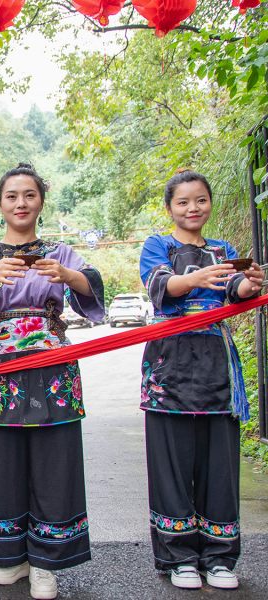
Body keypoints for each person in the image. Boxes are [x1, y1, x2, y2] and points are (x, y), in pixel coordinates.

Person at [0, 163, 104, 600]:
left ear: (41, 202)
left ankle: (46, 563)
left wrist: (68, 276)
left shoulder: (59, 252)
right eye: (12, 196)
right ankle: (9, 557)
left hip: (54, 363)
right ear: (1, 203)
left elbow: (91, 285)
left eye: (29, 195)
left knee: (55, 461)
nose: (21, 203)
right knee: (4, 461)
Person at [139, 170, 264, 591]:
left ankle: (220, 557)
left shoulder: (223, 249)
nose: (193, 208)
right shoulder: (159, 245)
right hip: (168, 366)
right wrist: (193, 280)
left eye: (201, 200)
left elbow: (235, 291)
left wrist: (249, 284)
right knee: (171, 465)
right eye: (183, 202)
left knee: (220, 466)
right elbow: (160, 285)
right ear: (170, 207)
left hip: (216, 367)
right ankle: (179, 557)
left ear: (209, 204)